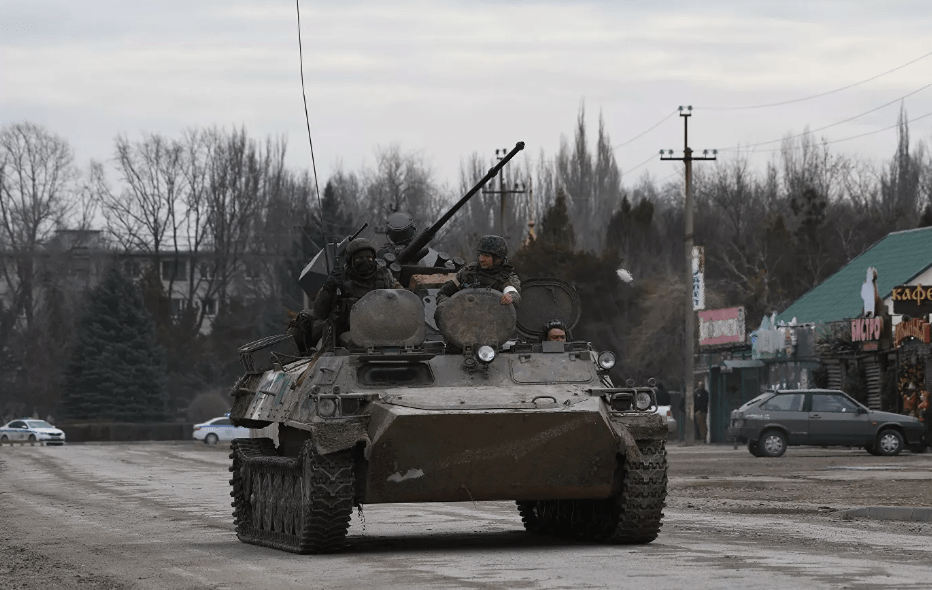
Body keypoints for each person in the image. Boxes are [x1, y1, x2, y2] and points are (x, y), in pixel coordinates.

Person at [312, 237, 401, 343]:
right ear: (350, 260)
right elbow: (320, 312)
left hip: (381, 331)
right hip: (348, 332)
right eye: (359, 258)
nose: (365, 261)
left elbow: (403, 298)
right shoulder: (340, 278)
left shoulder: (384, 276)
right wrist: (328, 288)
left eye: (369, 258)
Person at [436, 235, 520, 306]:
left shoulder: (507, 278)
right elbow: (443, 293)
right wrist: (447, 306)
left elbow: (514, 295)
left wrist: (510, 297)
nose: (481, 259)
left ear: (498, 259)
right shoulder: (468, 272)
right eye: (480, 255)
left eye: (486, 256)